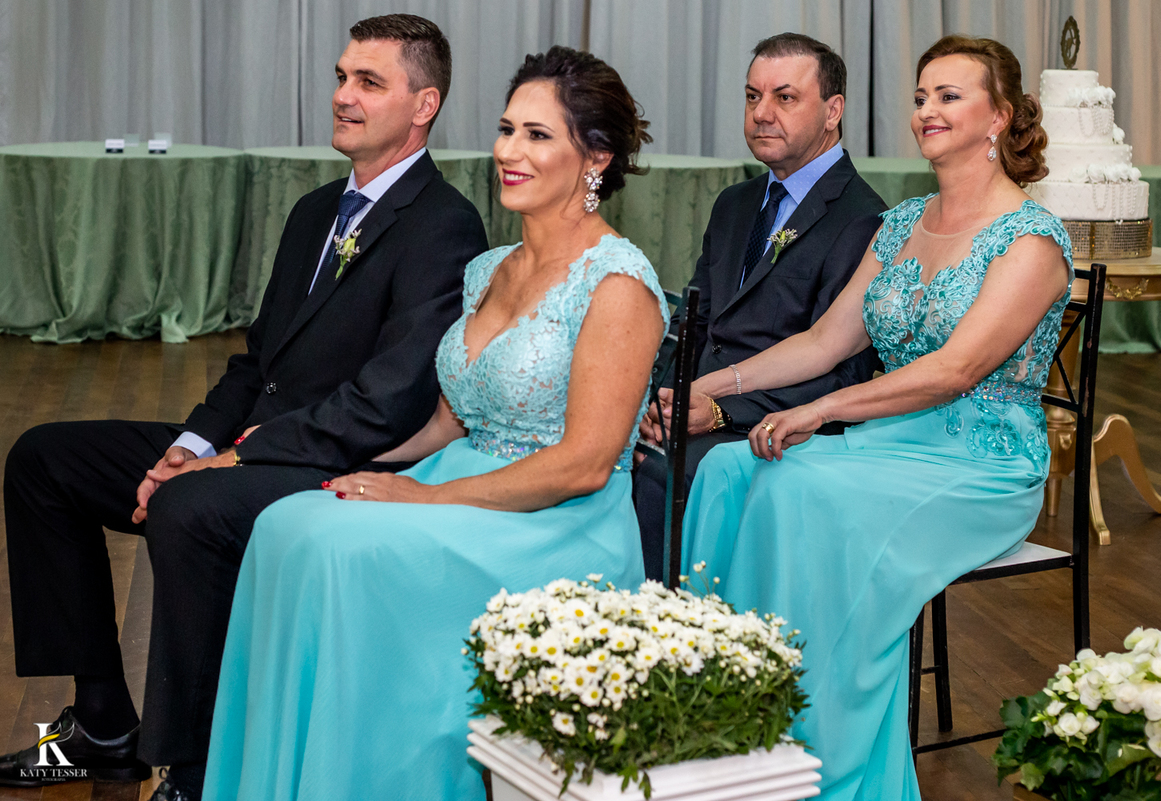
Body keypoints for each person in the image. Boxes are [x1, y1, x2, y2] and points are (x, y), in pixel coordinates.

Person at [0, 14, 487, 800]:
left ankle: (195, 771)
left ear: (423, 104)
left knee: (190, 507)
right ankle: (103, 723)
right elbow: (256, 361)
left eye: (369, 82)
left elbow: (388, 400)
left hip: (337, 458)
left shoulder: (444, 225)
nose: (343, 96)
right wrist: (192, 441)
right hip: (247, 445)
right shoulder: (314, 212)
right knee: (43, 459)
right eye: (340, 77)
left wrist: (237, 456)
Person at [200, 46, 665, 801]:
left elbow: (585, 461)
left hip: (557, 519)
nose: (509, 152)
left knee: (343, 555)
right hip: (461, 478)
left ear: (596, 159)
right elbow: (450, 417)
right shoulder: (489, 270)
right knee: (292, 524)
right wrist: (358, 466)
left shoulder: (618, 283)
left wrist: (420, 499)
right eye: (507, 128)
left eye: (538, 135)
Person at [679, 35, 1069, 800]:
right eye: (921, 95)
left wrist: (816, 409)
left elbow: (953, 371)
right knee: (729, 465)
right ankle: (719, 726)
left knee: (803, 491)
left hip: (984, 458)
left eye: (950, 95)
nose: (927, 109)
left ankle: (820, 753)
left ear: (1002, 116)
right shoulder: (902, 224)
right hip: (897, 440)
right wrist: (711, 386)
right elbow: (825, 340)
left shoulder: (1031, 239)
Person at [633, 33, 886, 582]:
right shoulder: (735, 203)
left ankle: (677, 647)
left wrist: (721, 412)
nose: (762, 114)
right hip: (696, 411)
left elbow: (844, 368)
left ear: (832, 111)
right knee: (603, 456)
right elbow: (692, 324)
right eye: (752, 97)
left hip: (779, 429)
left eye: (785, 98)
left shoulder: (862, 219)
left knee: (656, 476)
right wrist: (663, 399)